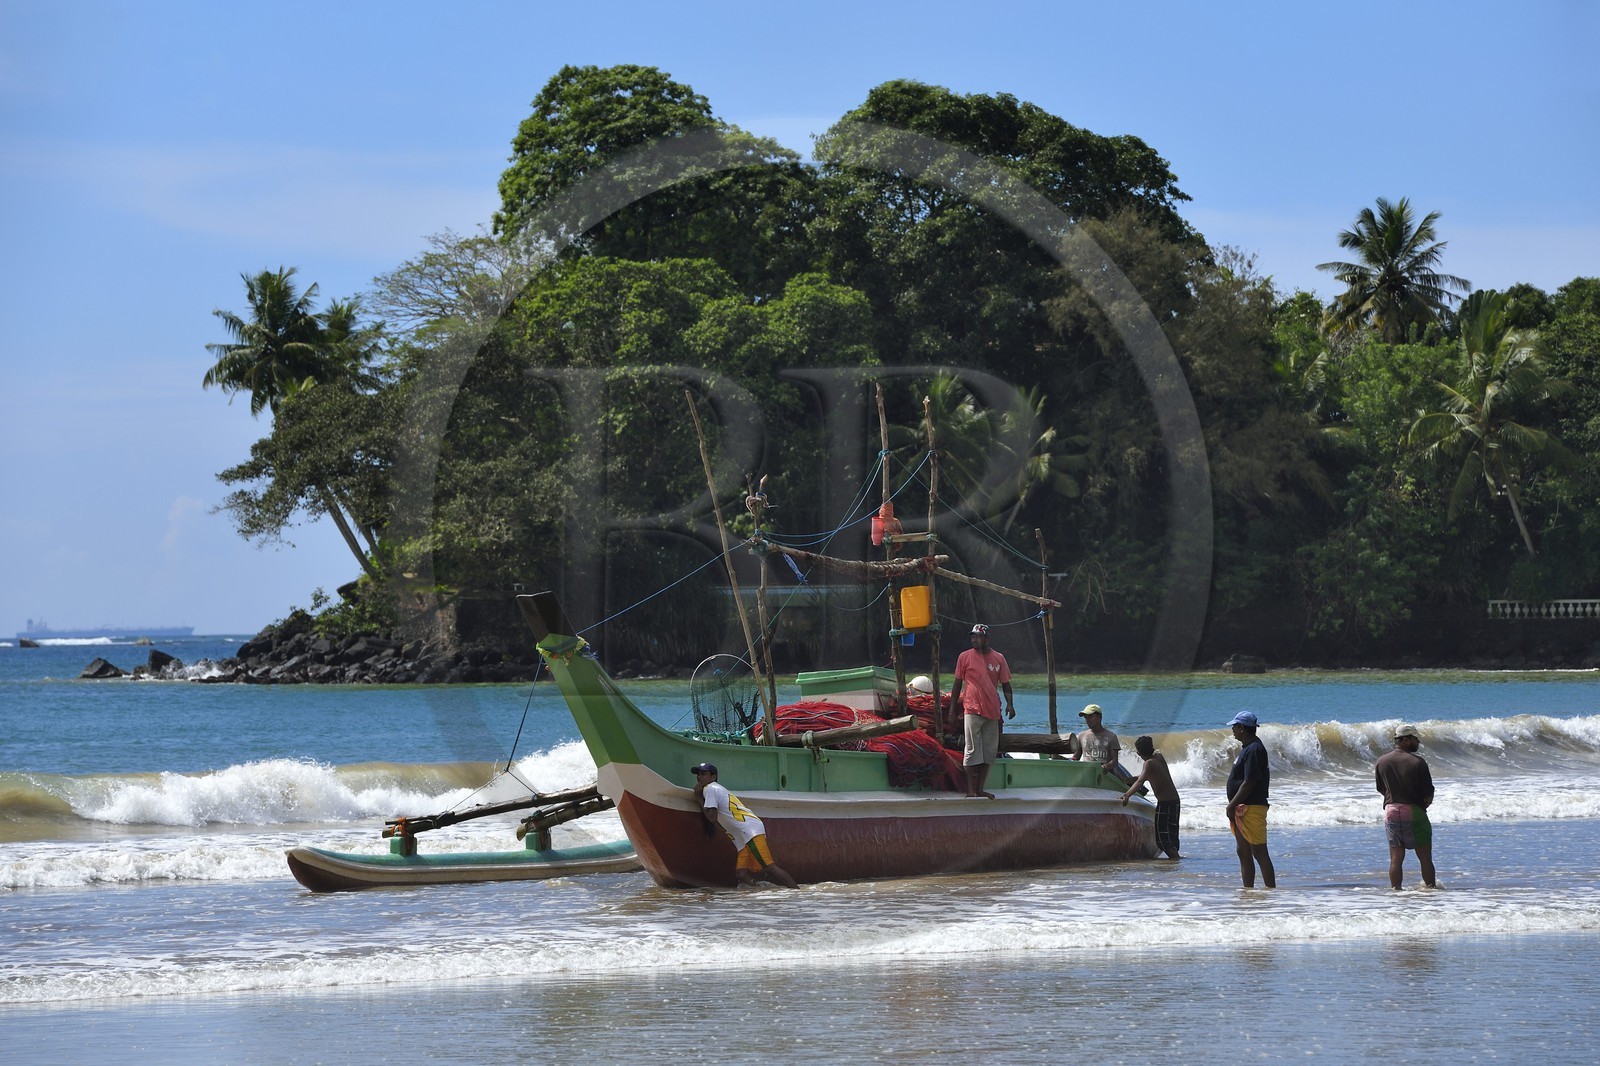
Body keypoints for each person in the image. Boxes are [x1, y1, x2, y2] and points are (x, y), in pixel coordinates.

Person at [692, 762, 798, 888]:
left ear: (713, 777)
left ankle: (797, 892)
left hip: (749, 831)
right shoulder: (715, 788)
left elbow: (711, 817)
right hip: (744, 834)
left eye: (703, 774)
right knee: (741, 874)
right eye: (698, 774)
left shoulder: (710, 788)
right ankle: (761, 890)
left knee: (769, 867)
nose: (699, 777)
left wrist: (698, 797)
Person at [946, 623, 1015, 799]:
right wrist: (953, 710)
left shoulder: (998, 658)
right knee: (971, 750)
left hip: (992, 711)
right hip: (972, 708)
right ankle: (970, 790)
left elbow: (1006, 683)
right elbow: (957, 684)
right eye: (972, 637)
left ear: (986, 638)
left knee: (989, 752)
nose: (974, 640)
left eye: (977, 637)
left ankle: (980, 789)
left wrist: (1010, 704)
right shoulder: (965, 657)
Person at [1375, 724, 1436, 889]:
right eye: (1415, 738)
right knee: (1425, 858)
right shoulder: (1418, 762)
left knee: (1396, 859)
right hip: (1414, 811)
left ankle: (1396, 892)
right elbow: (1428, 792)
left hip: (1391, 812)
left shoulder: (1382, 761)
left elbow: (1381, 789)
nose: (1418, 741)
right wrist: (1424, 805)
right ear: (1406, 739)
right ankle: (1431, 891)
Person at [1224, 710, 1276, 888]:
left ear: (1242, 728)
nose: (1232, 729)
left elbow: (1249, 782)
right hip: (1242, 807)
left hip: (1252, 807)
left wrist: (1231, 805)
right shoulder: (1247, 748)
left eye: (1234, 726)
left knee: (1259, 851)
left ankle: (1271, 891)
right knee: (1243, 851)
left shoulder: (1254, 749)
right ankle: (1248, 891)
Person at [1121, 735, 1180, 859]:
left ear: (1138, 752)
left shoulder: (1148, 764)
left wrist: (1126, 795)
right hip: (1175, 802)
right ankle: (1176, 861)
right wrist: (1129, 779)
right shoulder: (1158, 757)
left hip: (1165, 804)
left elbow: (1140, 782)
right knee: (1172, 837)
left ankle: (1175, 861)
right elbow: (1147, 776)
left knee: (1163, 840)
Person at [1072, 704, 1134, 786]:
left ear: (1099, 717)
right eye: (1086, 717)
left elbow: (1114, 761)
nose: (1087, 720)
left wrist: (1106, 767)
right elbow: (1076, 757)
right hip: (1087, 776)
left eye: (1090, 716)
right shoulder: (1081, 736)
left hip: (1107, 778)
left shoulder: (1111, 736)